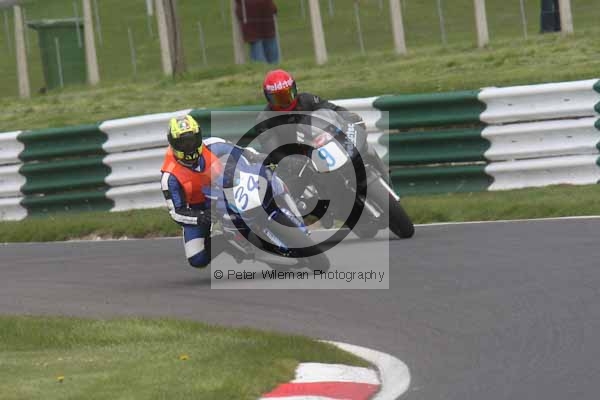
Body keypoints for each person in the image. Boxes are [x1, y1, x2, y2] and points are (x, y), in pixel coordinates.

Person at [160, 115, 262, 268]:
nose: (189, 146)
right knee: (197, 259)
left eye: (192, 140)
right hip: (198, 209)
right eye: (183, 143)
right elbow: (176, 212)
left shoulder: (213, 144)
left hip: (224, 191)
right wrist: (200, 217)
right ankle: (225, 242)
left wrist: (257, 159)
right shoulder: (170, 176)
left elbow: (242, 153)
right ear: (173, 144)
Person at [235, 0, 279, 64]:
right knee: (260, 58)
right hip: (251, 14)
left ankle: (272, 68)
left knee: (273, 59)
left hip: (265, 14)